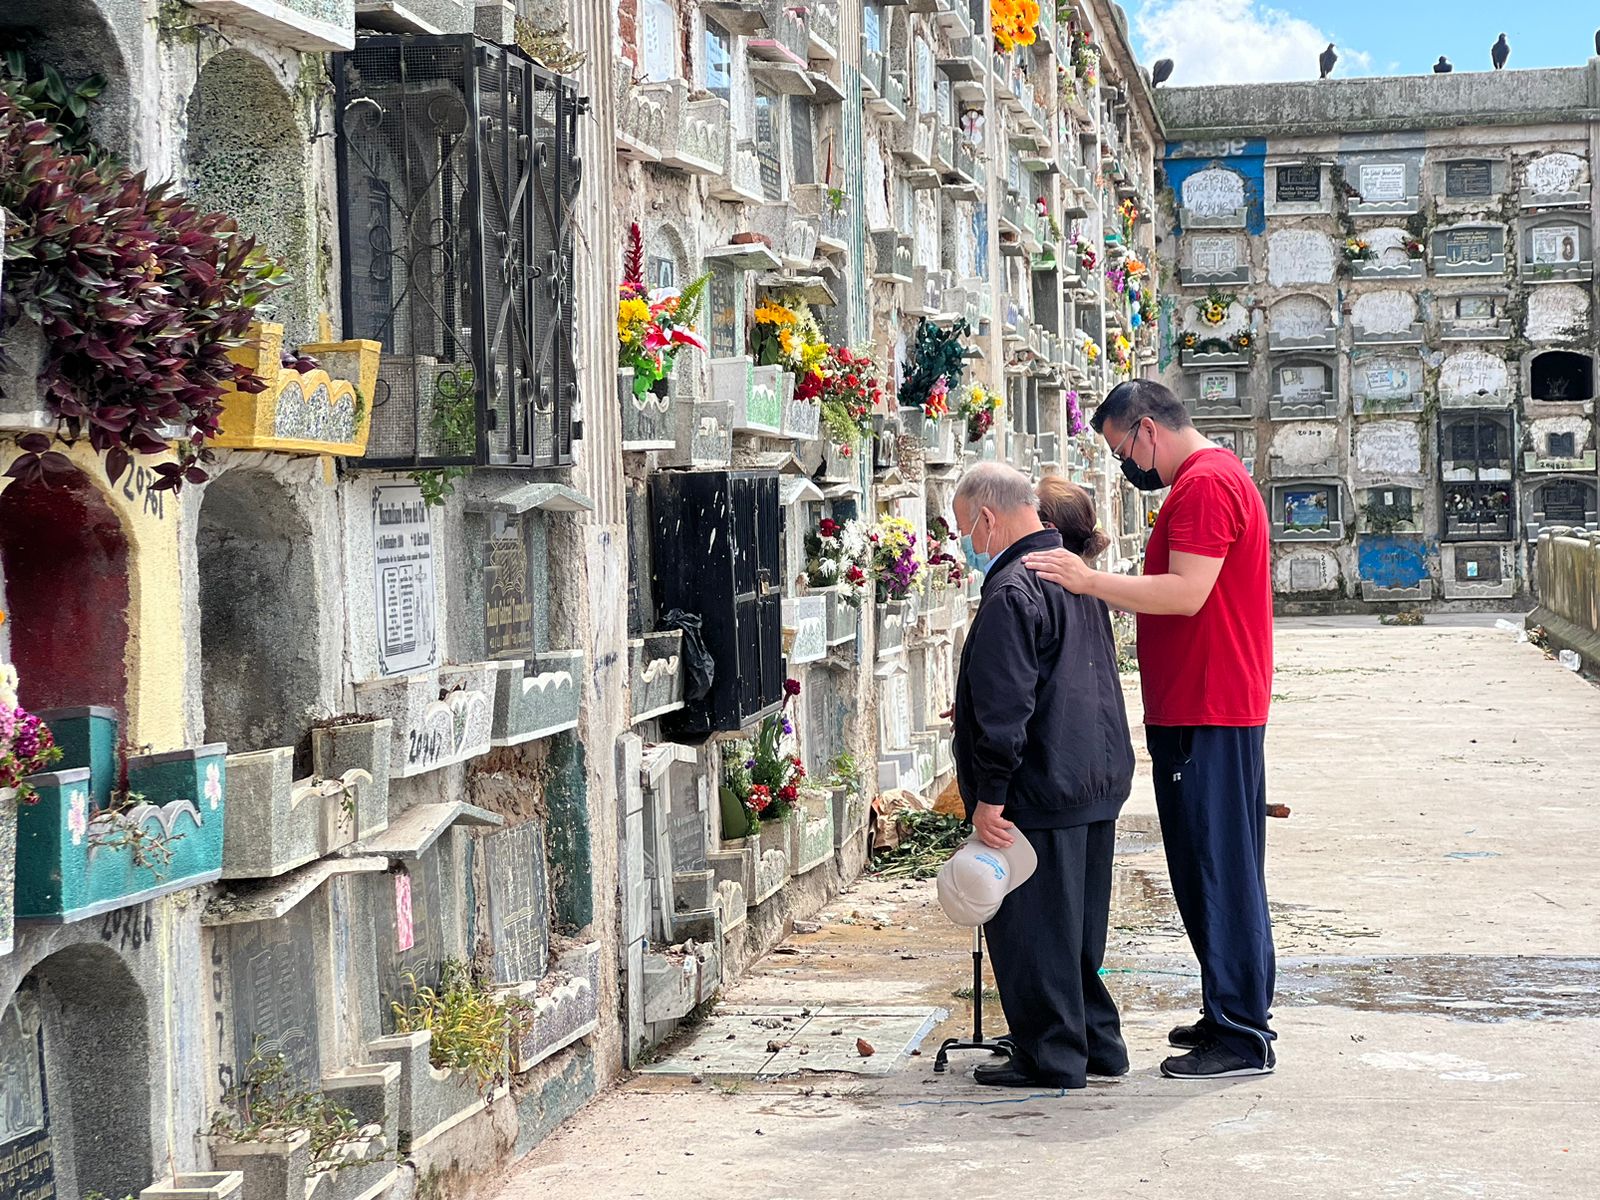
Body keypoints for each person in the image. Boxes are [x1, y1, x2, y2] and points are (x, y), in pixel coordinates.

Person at [1023, 379, 1277, 1079]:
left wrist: (1087, 581)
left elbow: (1186, 593)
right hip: (1202, 704)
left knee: (1217, 868)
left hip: (1208, 705)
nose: (1123, 468)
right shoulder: (1208, 479)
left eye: (1119, 450)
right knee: (1209, 867)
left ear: (1146, 431)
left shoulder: (1202, 485)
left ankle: (1241, 1033)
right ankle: (1231, 1008)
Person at [950, 463, 1135, 1089]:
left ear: (987, 518)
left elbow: (1010, 706)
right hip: (1092, 775)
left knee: (1033, 932)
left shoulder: (1013, 589)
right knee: (1078, 930)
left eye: (965, 530)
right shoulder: (1068, 572)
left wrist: (990, 796)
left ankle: (1050, 1054)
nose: (969, 546)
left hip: (1040, 783)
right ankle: (1097, 1045)